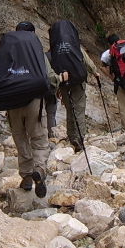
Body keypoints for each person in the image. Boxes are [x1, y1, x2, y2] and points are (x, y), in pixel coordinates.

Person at [10, 22, 67, 197]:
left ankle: (26, 177)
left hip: (12, 103)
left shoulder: (7, 50)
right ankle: (39, 170)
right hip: (34, 102)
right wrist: (60, 80)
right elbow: (49, 78)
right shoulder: (37, 52)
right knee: (39, 139)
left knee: (21, 140)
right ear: (33, 34)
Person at [49, 20, 99, 151]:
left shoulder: (54, 48)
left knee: (69, 109)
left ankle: (72, 137)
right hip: (78, 80)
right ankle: (80, 139)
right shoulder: (75, 46)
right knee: (79, 109)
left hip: (63, 82)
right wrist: (95, 72)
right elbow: (86, 61)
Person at [44, 50, 57, 138]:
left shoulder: (44, 56)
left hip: (40, 87)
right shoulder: (57, 58)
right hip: (52, 89)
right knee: (51, 113)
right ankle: (51, 135)